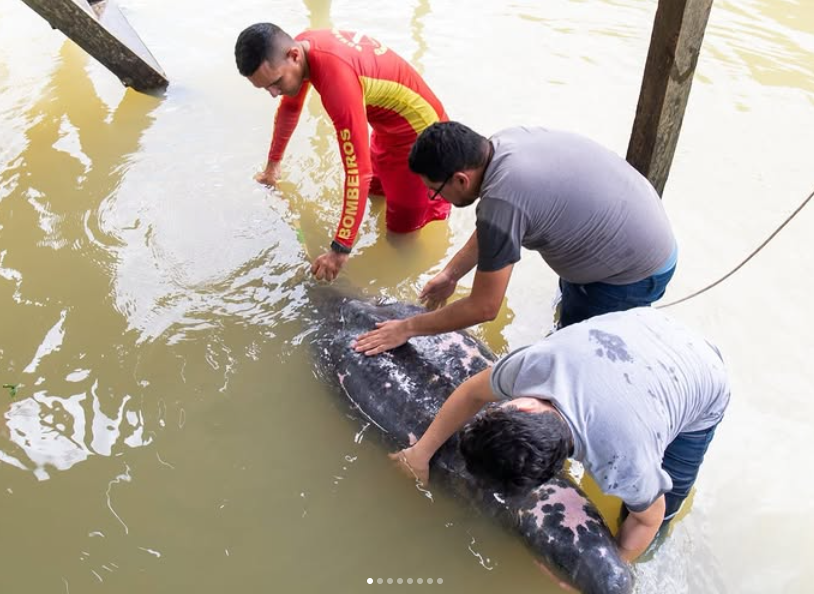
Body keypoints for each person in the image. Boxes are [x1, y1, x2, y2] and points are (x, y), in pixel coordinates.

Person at [391, 307, 730, 562]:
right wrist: (420, 453)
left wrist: (615, 562)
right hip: (646, 327)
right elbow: (472, 394)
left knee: (665, 504)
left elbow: (648, 518)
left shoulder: (624, 461)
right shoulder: (533, 364)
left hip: (702, 375)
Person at [353, 122, 678, 356]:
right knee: (570, 317)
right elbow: (497, 222)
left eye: (434, 189)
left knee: (579, 355)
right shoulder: (504, 143)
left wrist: (406, 327)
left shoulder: (502, 203)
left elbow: (484, 307)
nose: (430, 195)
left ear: (461, 179)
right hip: (638, 226)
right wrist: (452, 274)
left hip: (630, 274)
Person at [234, 24, 451, 281]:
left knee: (400, 239)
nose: (273, 93)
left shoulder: (338, 81)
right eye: (265, 88)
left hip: (420, 141)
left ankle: (421, 279)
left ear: (293, 55)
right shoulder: (303, 45)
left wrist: (340, 249)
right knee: (375, 195)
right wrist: (272, 167)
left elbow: (358, 173)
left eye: (276, 83)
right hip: (387, 129)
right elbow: (290, 108)